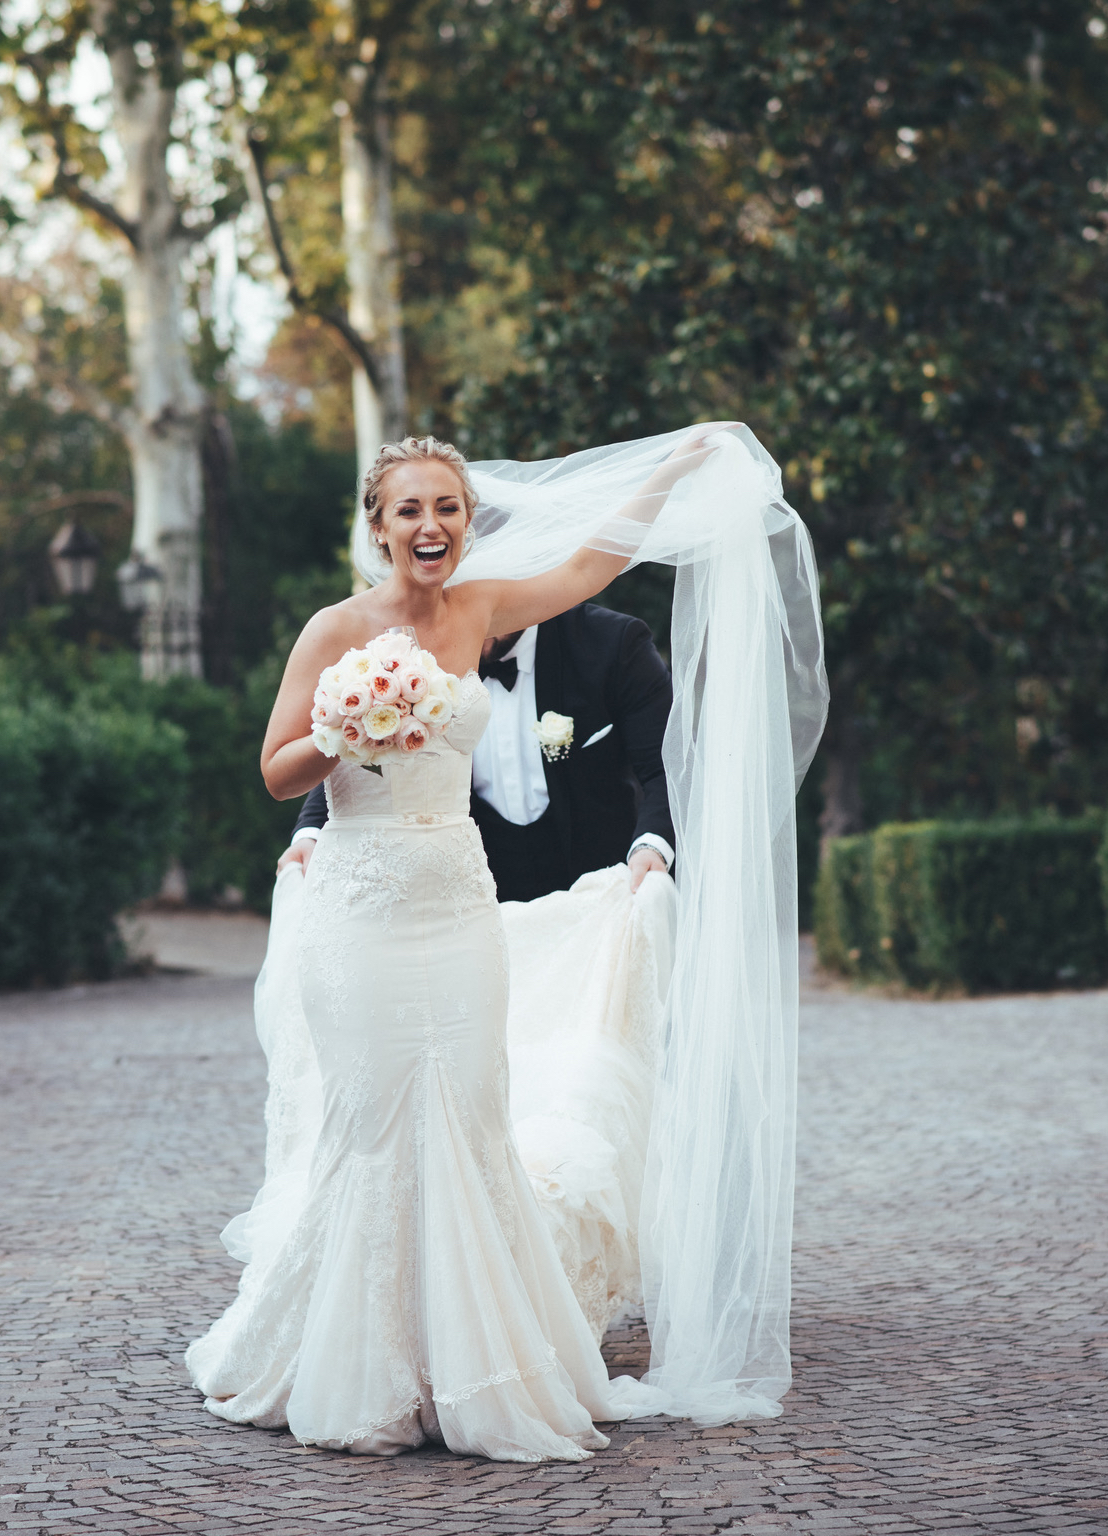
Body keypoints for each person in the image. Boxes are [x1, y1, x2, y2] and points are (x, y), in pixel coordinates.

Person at [184, 426, 827, 1462]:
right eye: (409, 509)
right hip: (360, 912)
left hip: (455, 908)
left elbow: (591, 563)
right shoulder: (331, 630)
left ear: (465, 521)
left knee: (470, 1112)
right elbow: (275, 771)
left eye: (446, 507)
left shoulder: (481, 608)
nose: (430, 526)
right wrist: (350, 730)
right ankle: (354, 1360)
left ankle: (476, 1362)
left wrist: (669, 473)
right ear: (378, 526)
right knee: (374, 1120)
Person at [280, 595, 677, 904]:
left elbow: (667, 769)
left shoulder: (613, 644)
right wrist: (310, 835)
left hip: (599, 902)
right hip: (473, 909)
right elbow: (361, 745)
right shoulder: (409, 660)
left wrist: (651, 847)